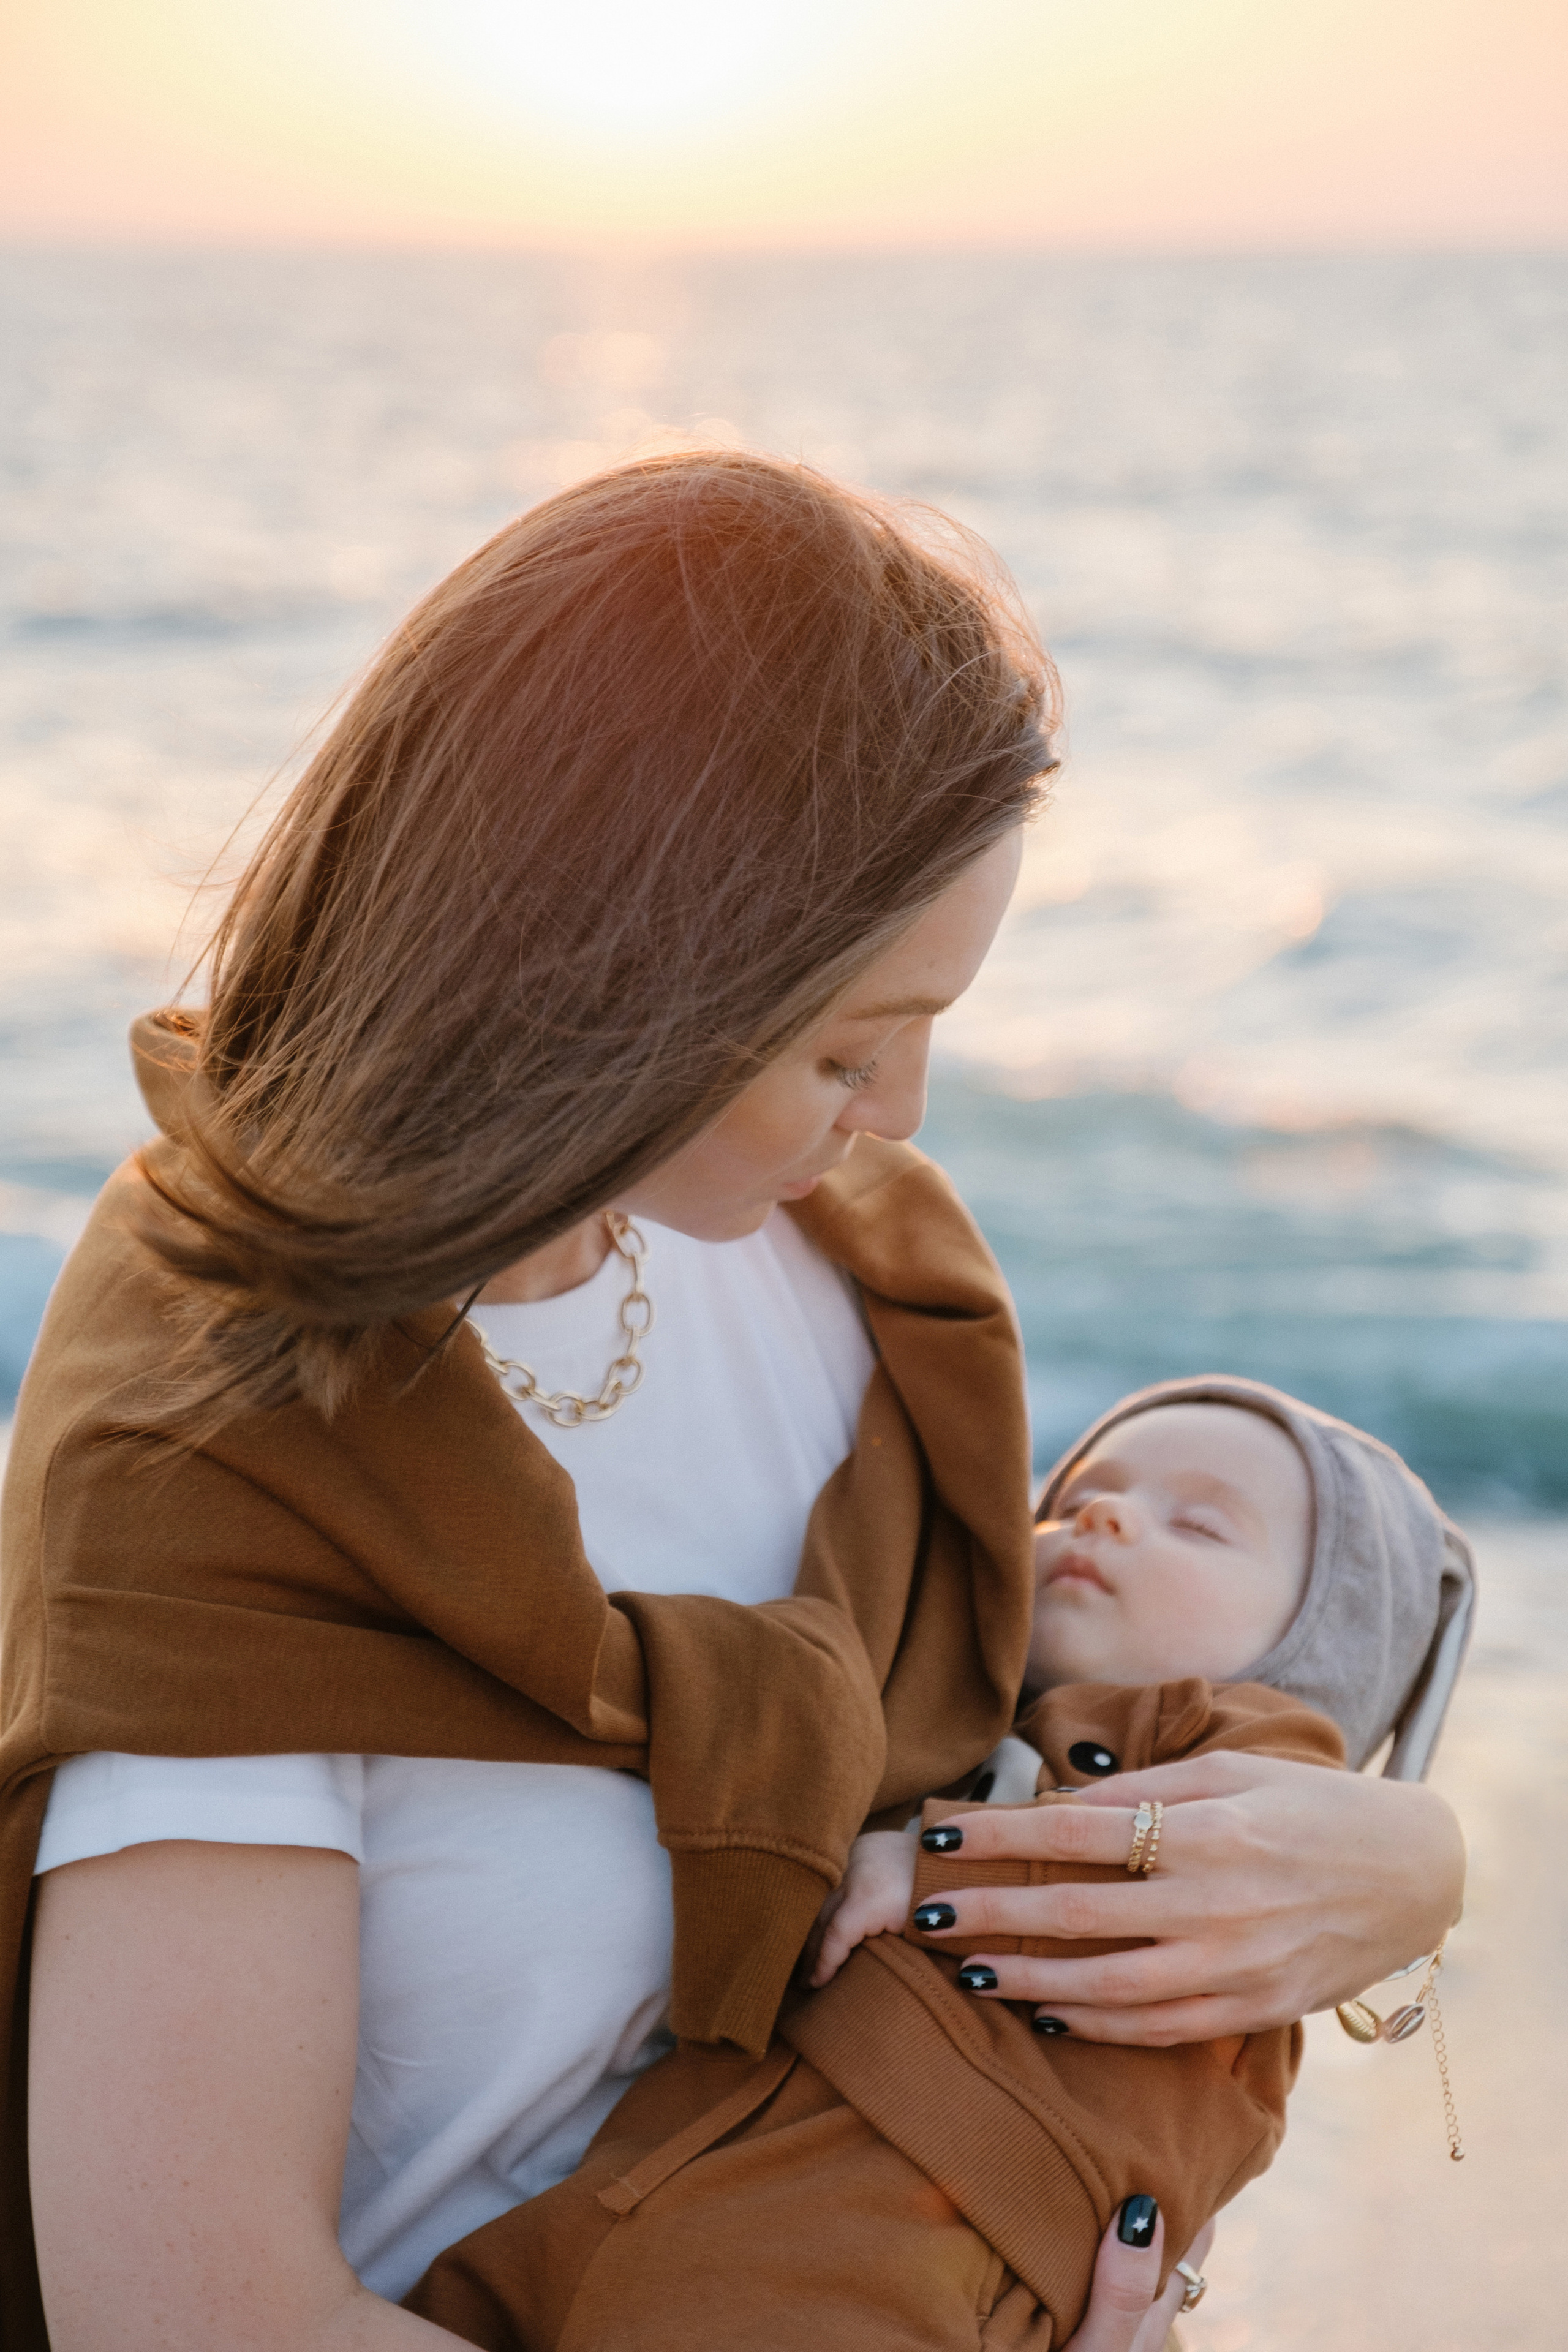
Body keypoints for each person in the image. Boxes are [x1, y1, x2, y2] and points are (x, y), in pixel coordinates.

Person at [0, 454, 1466, 2352]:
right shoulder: (229, 1439)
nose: (907, 1116)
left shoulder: (869, 1283)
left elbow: (1065, 1769)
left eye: (935, 1031)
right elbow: (196, 2318)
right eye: (852, 1045)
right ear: (625, 973)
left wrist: (1411, 1870)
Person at [402, 1376, 1474, 2350]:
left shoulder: (1249, 1766)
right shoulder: (947, 1731)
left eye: (1197, 1525)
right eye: (1069, 1499)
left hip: (904, 2265)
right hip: (634, 2210)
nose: (1099, 1518)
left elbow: (1173, 1895)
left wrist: (940, 1869)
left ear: (1323, 1647)